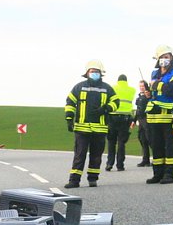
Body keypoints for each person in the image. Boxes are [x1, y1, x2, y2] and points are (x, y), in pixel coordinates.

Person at [63, 60, 119, 188]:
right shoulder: (79, 87)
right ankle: (74, 180)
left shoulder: (107, 88)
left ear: (101, 73)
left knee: (96, 156)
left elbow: (116, 102)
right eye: (92, 71)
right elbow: (70, 103)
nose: (94, 73)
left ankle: (93, 179)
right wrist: (69, 118)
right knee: (79, 155)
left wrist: (105, 109)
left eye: (97, 72)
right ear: (87, 73)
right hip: (82, 128)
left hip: (99, 129)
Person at [144, 45, 173, 185]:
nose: (164, 60)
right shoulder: (154, 74)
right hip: (153, 116)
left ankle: (169, 174)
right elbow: (153, 93)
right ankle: (157, 174)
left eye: (166, 57)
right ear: (157, 59)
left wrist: (157, 86)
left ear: (172, 58)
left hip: (169, 116)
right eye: (161, 57)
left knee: (170, 146)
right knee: (156, 146)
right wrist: (148, 93)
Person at [105, 75, 136, 171]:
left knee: (111, 142)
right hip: (125, 118)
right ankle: (120, 165)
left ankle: (109, 163)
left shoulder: (112, 88)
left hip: (112, 117)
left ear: (118, 80)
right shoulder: (132, 90)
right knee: (121, 142)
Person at [132, 80, 151, 167]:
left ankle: (157, 160)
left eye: (143, 86)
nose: (141, 88)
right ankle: (145, 160)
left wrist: (149, 97)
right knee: (142, 140)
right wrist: (133, 120)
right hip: (140, 120)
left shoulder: (148, 96)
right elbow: (138, 110)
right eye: (140, 86)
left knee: (150, 140)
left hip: (147, 120)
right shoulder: (139, 97)